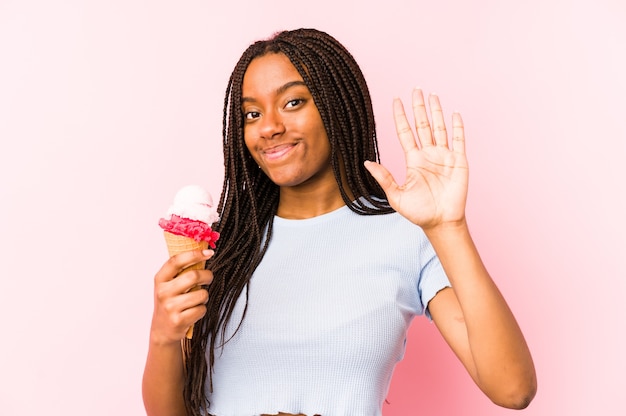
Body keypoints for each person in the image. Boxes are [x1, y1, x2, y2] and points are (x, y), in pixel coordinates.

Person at [142, 28, 537, 416]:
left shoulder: (407, 235)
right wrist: (163, 334)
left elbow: (513, 388)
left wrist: (448, 228)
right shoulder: (225, 246)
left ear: (336, 106)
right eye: (252, 113)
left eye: (293, 102)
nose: (269, 127)